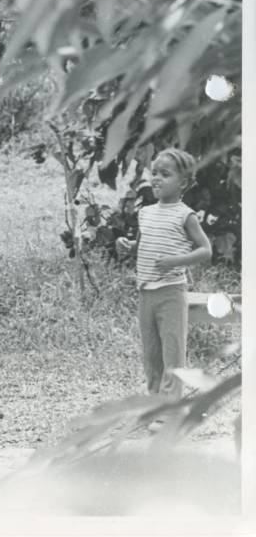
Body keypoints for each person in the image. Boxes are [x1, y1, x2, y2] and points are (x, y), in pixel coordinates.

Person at [116, 148, 212, 411]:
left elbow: (206, 249)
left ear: (182, 183)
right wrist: (129, 244)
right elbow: (145, 243)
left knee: (173, 353)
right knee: (152, 355)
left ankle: (170, 408)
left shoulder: (185, 214)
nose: (156, 178)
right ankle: (155, 404)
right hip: (146, 291)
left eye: (165, 174)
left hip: (171, 292)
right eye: (154, 172)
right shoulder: (145, 213)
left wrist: (176, 261)